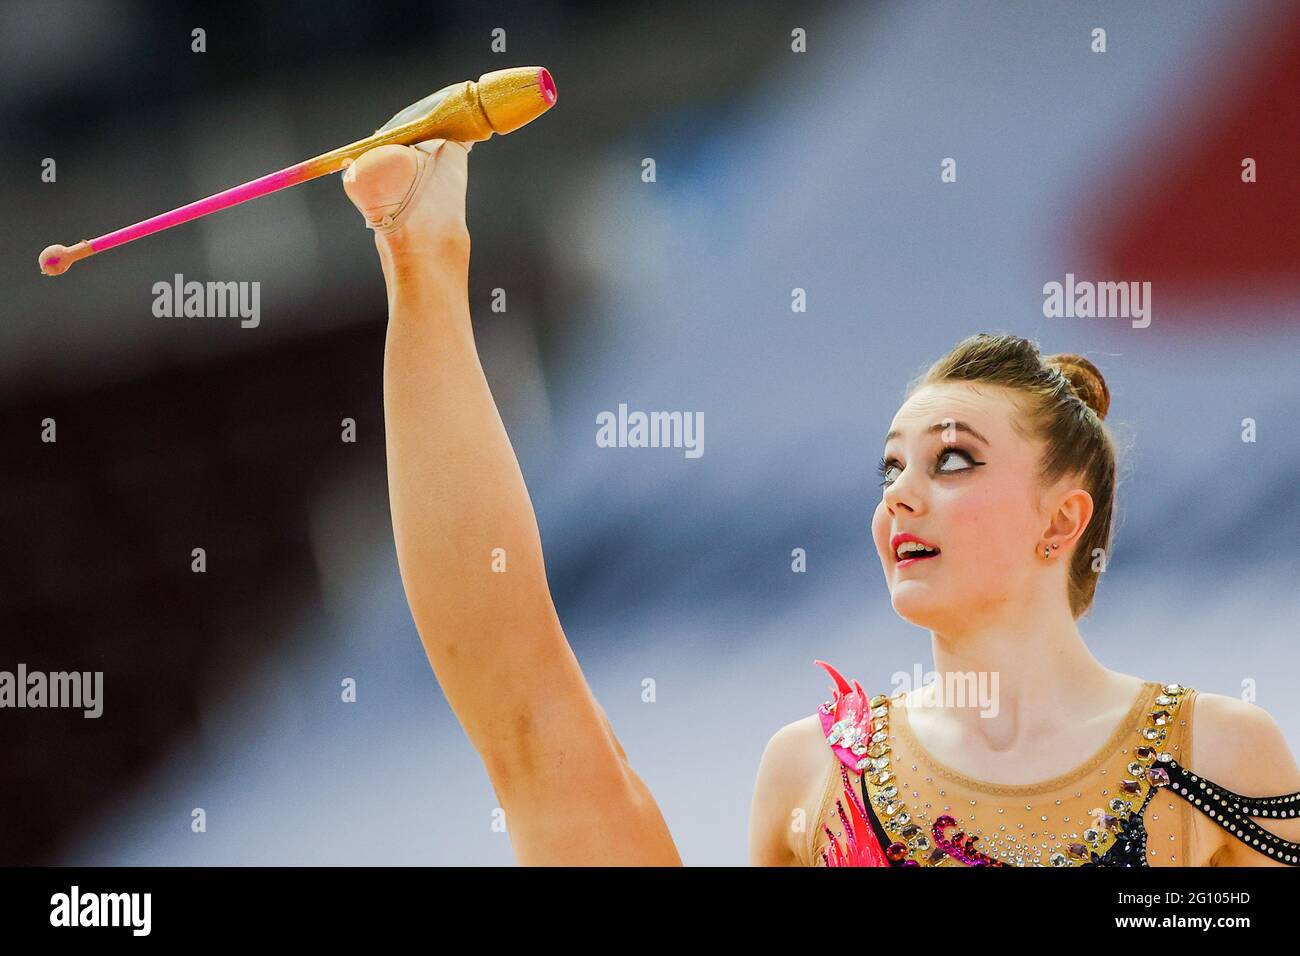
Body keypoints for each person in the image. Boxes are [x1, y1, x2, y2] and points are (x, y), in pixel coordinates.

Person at [341, 139, 1300, 867]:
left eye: (953, 460)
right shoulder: (816, 777)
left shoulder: (1214, 761)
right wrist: (421, 271)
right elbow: (533, 742)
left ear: (1062, 520)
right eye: (890, 471)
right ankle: (426, 260)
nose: (902, 499)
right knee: (552, 763)